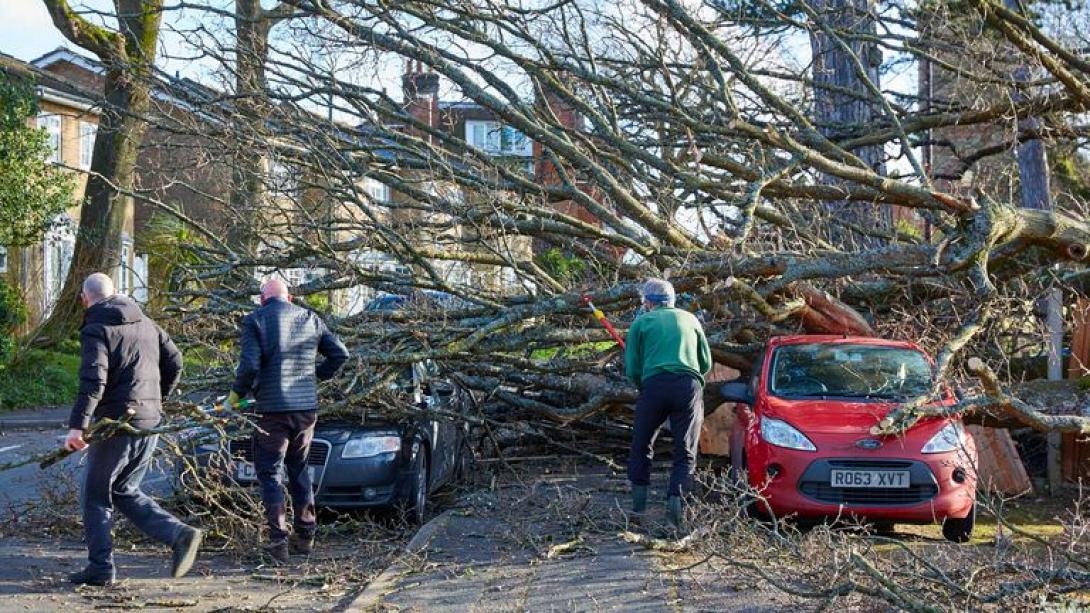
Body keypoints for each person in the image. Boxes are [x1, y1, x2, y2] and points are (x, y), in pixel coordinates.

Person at [64, 272, 201, 586]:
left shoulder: (96, 327)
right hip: (149, 419)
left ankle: (100, 568)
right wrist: (157, 399)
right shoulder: (147, 323)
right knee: (123, 489)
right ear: (115, 292)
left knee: (95, 496)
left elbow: (94, 380)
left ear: (85, 299)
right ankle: (178, 534)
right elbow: (176, 360)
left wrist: (77, 427)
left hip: (117, 422)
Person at [227, 278, 349, 563]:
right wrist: (315, 376)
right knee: (300, 468)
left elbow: (249, 366)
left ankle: (278, 542)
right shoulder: (310, 318)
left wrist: (235, 396)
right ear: (290, 298)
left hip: (272, 411)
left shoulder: (255, 320)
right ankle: (305, 535)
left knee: (270, 473)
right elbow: (340, 354)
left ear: (262, 300)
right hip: (305, 409)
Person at [624, 278, 712, 527]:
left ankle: (638, 511)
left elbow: (632, 368)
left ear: (648, 302)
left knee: (641, 445)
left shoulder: (641, 323)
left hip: (654, 385)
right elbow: (705, 363)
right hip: (688, 386)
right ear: (672, 300)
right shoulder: (691, 319)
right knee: (685, 450)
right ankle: (675, 515)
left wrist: (644, 385)